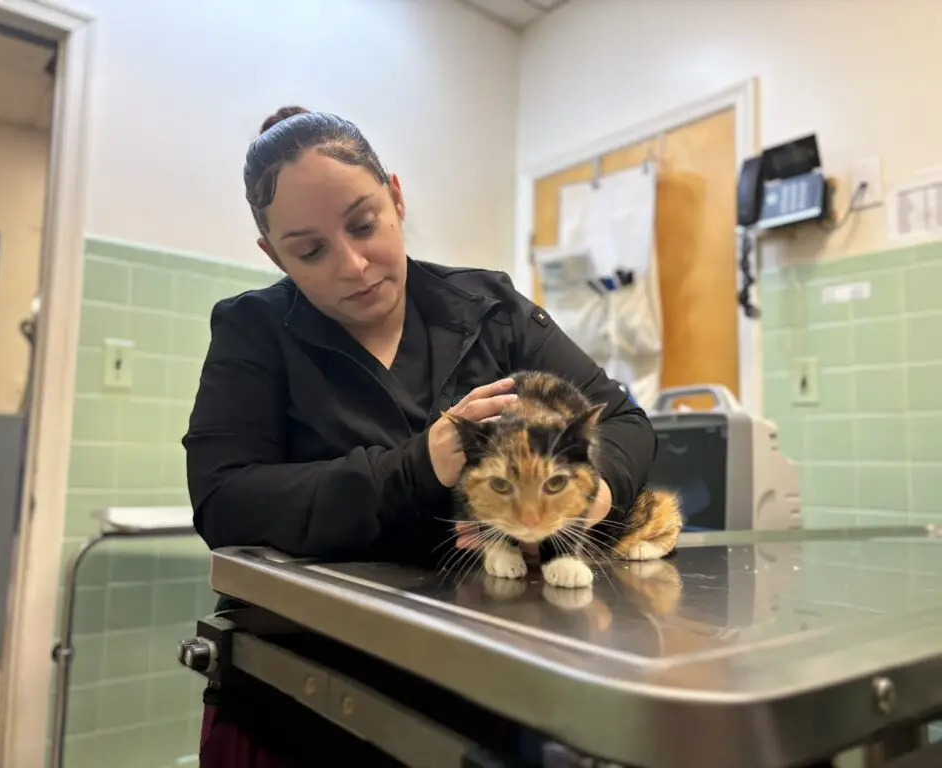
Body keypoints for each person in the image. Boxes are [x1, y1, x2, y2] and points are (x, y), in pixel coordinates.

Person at [183, 106, 657, 767]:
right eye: (310, 251)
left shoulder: (491, 310)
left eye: (363, 223)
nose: (352, 265)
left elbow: (626, 422)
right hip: (301, 692)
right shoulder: (253, 332)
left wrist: (591, 500)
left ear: (396, 197)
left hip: (487, 686)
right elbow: (225, 501)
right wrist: (418, 465)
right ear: (273, 255)